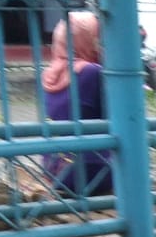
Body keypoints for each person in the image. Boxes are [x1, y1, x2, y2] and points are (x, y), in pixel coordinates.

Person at [39, 12, 114, 196]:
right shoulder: (92, 72)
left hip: (54, 170)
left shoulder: (47, 74)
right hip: (93, 171)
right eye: (98, 38)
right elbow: (117, 117)